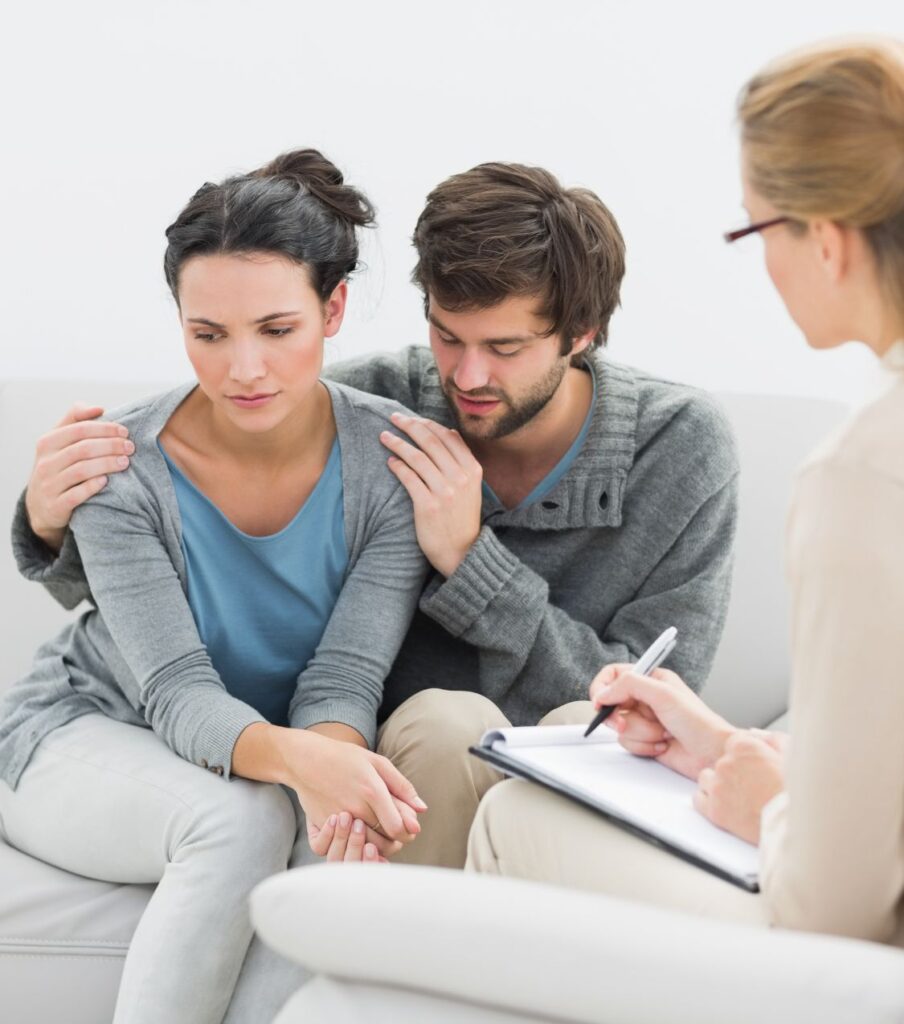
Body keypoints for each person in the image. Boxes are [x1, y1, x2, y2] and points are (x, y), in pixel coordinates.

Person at [14, 160, 740, 869]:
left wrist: (468, 560)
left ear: (580, 332)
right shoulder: (383, 406)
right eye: (447, 335)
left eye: (505, 348)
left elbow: (653, 714)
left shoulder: (678, 445)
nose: (468, 376)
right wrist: (49, 527)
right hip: (406, 750)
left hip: (565, 757)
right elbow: (195, 567)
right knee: (447, 725)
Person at [468, 38, 904, 949]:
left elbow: (833, 902)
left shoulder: (863, 474)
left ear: (823, 239)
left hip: (861, 964)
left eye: (754, 230)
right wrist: (727, 748)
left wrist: (774, 808)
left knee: (516, 821)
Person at [0, 148, 434, 1024]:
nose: (244, 369)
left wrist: (331, 766)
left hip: (271, 752)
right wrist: (311, 765)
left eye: (277, 330)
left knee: (335, 840)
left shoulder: (392, 463)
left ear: (333, 307)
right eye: (209, 334)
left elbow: (344, 678)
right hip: (89, 731)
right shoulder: (118, 469)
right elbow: (176, 693)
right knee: (242, 822)